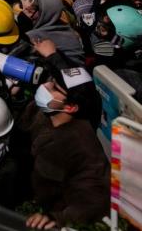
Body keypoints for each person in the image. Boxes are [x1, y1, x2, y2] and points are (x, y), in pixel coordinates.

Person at [19, 65, 108, 229]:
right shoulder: (44, 112)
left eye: (54, 87)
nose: (45, 86)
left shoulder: (82, 147)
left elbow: (94, 202)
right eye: (50, 81)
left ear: (70, 107)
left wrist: (56, 218)